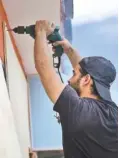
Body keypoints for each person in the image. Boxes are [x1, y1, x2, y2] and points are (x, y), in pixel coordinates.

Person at [34, 20, 118, 158]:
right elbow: (84, 71)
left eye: (74, 74)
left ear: (86, 80)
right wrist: (68, 49)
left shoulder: (78, 109)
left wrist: (40, 31)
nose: (68, 79)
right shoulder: (114, 113)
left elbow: (43, 67)